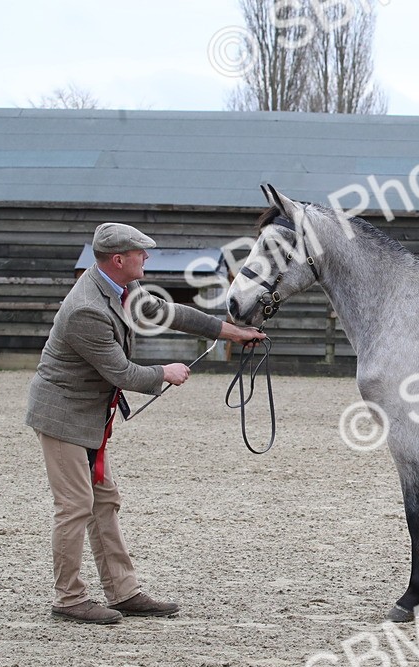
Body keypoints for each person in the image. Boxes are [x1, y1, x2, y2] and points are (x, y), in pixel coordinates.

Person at [25, 223, 266, 624]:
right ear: (119, 260)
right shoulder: (88, 307)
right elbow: (122, 373)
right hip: (64, 416)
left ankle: (122, 592)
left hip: (88, 415)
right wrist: (165, 372)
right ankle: (69, 599)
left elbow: (167, 312)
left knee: (104, 501)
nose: (147, 257)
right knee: (75, 507)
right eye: (141, 252)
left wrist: (231, 332)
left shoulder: (119, 289)